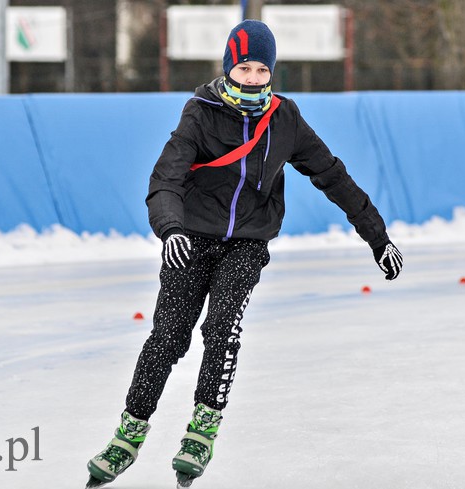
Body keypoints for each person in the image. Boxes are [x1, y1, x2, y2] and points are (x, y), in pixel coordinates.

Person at [86, 19, 403, 489]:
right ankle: (129, 433)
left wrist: (377, 236)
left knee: (222, 328)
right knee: (168, 337)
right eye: (244, 68)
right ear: (228, 68)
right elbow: (165, 180)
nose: (253, 78)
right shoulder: (199, 113)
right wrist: (171, 229)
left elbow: (332, 175)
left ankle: (202, 428)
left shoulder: (285, 118)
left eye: (261, 69)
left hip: (248, 243)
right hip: (189, 239)